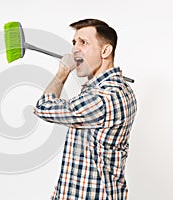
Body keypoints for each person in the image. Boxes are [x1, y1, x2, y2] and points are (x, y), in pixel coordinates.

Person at [33, 18, 137, 199]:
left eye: (84, 42)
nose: (75, 49)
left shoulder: (103, 98)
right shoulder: (120, 89)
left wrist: (63, 72)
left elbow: (43, 107)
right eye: (74, 42)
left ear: (105, 51)